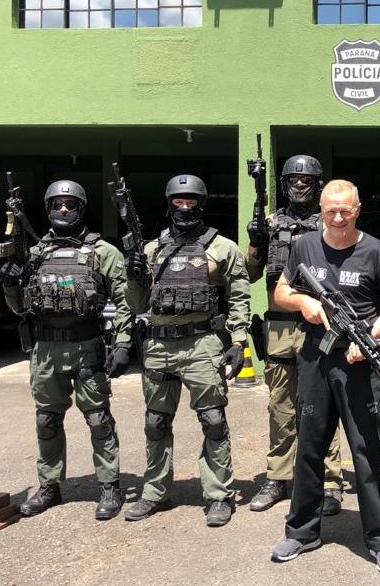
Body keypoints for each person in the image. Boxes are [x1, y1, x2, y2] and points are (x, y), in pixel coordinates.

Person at [268, 179, 380, 575]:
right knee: (309, 444)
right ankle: (301, 532)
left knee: (368, 450)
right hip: (315, 357)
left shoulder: (376, 251)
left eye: (346, 209)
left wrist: (370, 339)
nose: (339, 216)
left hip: (359, 360)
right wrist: (303, 301)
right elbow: (280, 291)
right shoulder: (304, 246)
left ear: (358, 208)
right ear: (322, 209)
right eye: (331, 210)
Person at [0, 180, 133, 520]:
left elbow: (125, 303)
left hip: (86, 346)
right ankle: (49, 486)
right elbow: (17, 309)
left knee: (99, 420)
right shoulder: (34, 254)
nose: (63, 209)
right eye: (57, 204)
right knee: (47, 420)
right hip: (45, 351)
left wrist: (122, 343)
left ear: (80, 209)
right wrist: (10, 283)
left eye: (70, 204)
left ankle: (109, 484)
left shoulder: (104, 252)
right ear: (47, 209)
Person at [123, 174, 250, 527]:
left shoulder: (223, 247)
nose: (184, 207)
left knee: (213, 420)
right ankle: (155, 492)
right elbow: (135, 304)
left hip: (202, 344)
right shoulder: (150, 250)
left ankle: (218, 494)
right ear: (169, 204)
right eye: (178, 202)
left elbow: (239, 296)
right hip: (160, 344)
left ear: (201, 204)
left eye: (191, 201)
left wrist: (238, 341)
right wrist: (134, 277)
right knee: (156, 422)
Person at [245, 155, 345, 515]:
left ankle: (331, 483)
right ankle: (278, 477)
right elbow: (252, 272)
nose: (300, 185)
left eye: (307, 180)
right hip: (279, 327)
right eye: (293, 180)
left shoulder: (327, 223)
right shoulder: (270, 223)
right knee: (280, 407)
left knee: (324, 405)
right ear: (284, 184)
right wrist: (256, 242)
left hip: (320, 324)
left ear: (317, 184)